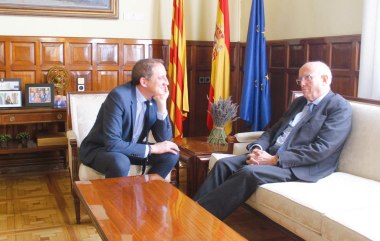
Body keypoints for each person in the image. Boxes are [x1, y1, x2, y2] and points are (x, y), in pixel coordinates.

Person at [193, 61, 352, 220]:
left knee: (249, 172)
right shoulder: (299, 102)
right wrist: (257, 148)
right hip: (272, 154)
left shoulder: (339, 107)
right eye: (300, 79)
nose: (302, 84)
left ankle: (200, 219)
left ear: (325, 79)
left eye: (307, 78)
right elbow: (274, 130)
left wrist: (275, 159)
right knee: (224, 164)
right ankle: (192, 210)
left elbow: (321, 149)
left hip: (300, 165)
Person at [80, 59, 180, 179]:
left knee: (171, 153)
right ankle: (113, 198)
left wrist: (162, 105)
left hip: (129, 148)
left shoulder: (155, 98)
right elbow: (112, 143)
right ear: (143, 82)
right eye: (161, 78)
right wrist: (152, 148)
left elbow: (165, 140)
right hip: (101, 149)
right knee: (121, 162)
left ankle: (147, 192)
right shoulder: (118, 96)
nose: (167, 82)